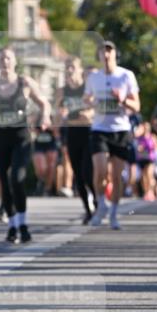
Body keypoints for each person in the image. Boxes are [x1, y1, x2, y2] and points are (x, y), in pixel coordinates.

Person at [0, 47, 51, 244]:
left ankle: (23, 224)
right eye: (1, 58)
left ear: (14, 61)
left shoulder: (24, 82)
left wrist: (45, 116)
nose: (4, 62)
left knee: (17, 178)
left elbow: (44, 102)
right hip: (0, 135)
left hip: (21, 136)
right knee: (4, 181)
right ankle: (12, 226)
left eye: (8, 58)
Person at [84, 40, 140, 230]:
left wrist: (122, 99)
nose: (106, 55)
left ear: (115, 54)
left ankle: (114, 214)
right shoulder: (94, 78)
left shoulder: (126, 76)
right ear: (99, 55)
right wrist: (92, 103)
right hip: (99, 129)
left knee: (116, 177)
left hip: (120, 130)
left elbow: (137, 106)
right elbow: (86, 99)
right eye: (102, 51)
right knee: (100, 171)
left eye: (109, 51)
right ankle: (101, 205)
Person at [56, 56, 95, 223]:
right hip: (72, 133)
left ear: (80, 70)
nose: (69, 70)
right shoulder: (62, 91)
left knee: (88, 172)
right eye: (67, 67)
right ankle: (88, 209)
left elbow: (95, 109)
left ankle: (99, 202)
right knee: (78, 174)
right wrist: (60, 114)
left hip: (89, 133)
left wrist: (88, 114)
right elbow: (58, 115)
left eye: (72, 67)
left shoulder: (88, 88)